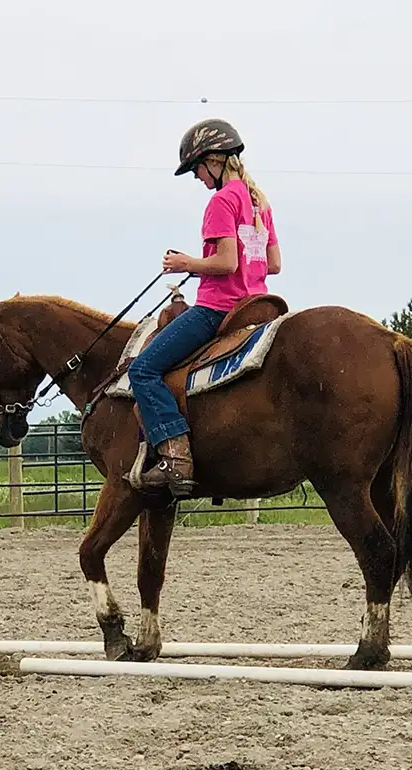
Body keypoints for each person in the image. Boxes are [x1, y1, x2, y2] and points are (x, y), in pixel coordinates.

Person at [127, 118, 281, 497]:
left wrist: (187, 265)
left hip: (219, 308)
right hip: (258, 305)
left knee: (142, 369)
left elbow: (227, 263)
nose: (197, 177)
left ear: (214, 159)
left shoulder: (221, 201)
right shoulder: (260, 203)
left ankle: (175, 454)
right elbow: (274, 264)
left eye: (197, 167)